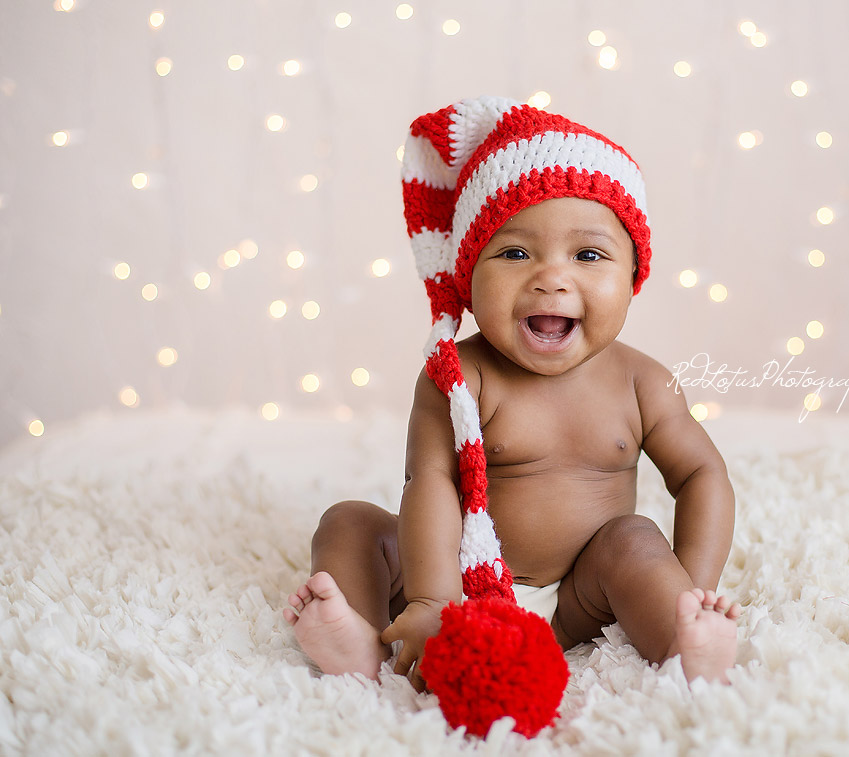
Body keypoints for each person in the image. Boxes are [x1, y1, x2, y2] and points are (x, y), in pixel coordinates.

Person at [283, 96, 741, 695]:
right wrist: (433, 598)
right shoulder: (457, 375)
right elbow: (430, 483)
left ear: (633, 276)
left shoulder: (643, 382)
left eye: (588, 254)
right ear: (469, 279)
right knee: (348, 524)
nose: (551, 276)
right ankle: (360, 638)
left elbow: (703, 473)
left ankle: (684, 636)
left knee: (634, 540)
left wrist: (692, 583)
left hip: (582, 593)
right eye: (515, 252)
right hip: (461, 583)